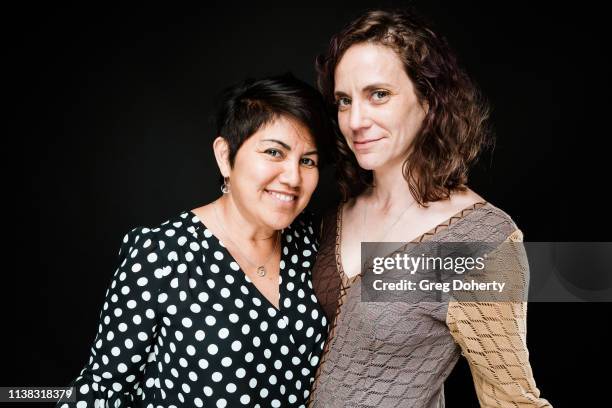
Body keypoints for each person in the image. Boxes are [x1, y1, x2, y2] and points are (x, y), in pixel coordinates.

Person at [309, 9, 552, 407]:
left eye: (379, 95)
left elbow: (511, 401)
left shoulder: (481, 241)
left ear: (427, 100)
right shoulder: (335, 216)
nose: (355, 120)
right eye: (343, 101)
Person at [58, 73, 333, 408]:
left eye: (308, 161)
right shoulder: (160, 255)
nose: (293, 177)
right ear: (224, 155)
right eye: (274, 152)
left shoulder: (314, 241)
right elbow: (101, 390)